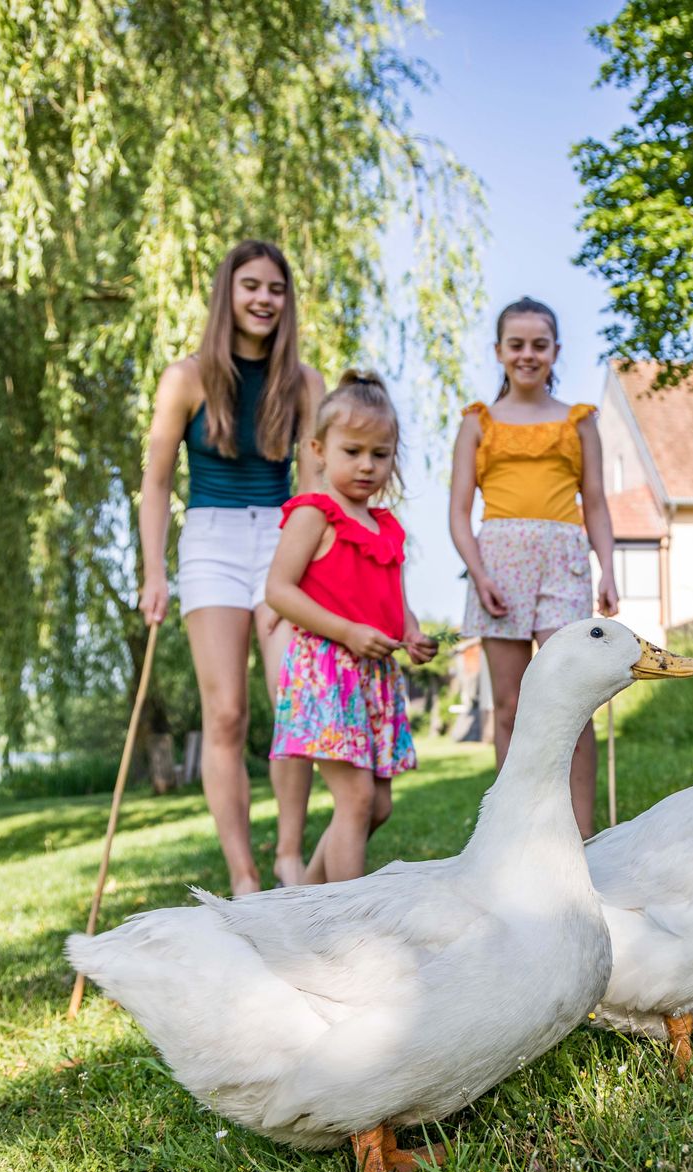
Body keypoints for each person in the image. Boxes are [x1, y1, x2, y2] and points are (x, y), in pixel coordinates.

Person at [138, 240, 322, 897]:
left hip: (282, 538)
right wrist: (154, 572)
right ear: (228, 293)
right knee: (225, 716)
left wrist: (307, 571)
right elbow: (157, 482)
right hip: (210, 540)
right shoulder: (185, 378)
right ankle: (243, 875)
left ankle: (289, 860)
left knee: (295, 709)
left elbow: (315, 488)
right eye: (251, 286)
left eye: (275, 288)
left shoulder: (303, 383)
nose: (263, 299)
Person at [449, 297, 618, 838]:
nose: (527, 355)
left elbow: (595, 501)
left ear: (555, 351)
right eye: (516, 344)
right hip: (498, 562)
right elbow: (457, 513)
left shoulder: (578, 421)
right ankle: (515, 835)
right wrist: (479, 574)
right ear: (499, 351)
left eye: (538, 345)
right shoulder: (478, 422)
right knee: (509, 702)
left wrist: (608, 569)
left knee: (574, 696)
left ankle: (581, 834)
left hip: (564, 558)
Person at [265, 371, 436, 884]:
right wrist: (345, 632)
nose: (366, 465)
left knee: (376, 805)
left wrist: (412, 634)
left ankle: (307, 902)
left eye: (379, 454)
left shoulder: (387, 528)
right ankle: (345, 928)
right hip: (327, 673)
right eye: (352, 451)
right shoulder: (314, 514)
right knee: (356, 798)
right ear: (319, 449)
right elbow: (278, 590)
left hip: (374, 678)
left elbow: (393, 603)